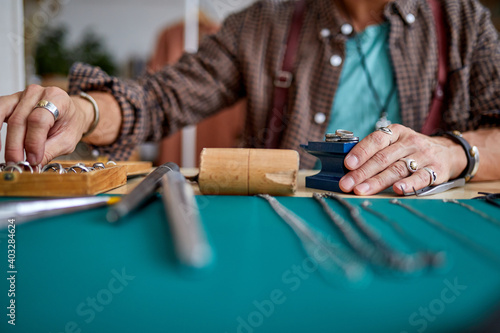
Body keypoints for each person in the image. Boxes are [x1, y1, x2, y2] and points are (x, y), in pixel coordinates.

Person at [0, 0, 499, 196]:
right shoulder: (262, 25)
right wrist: (82, 111)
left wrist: (454, 151)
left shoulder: (464, 23)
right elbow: (158, 99)